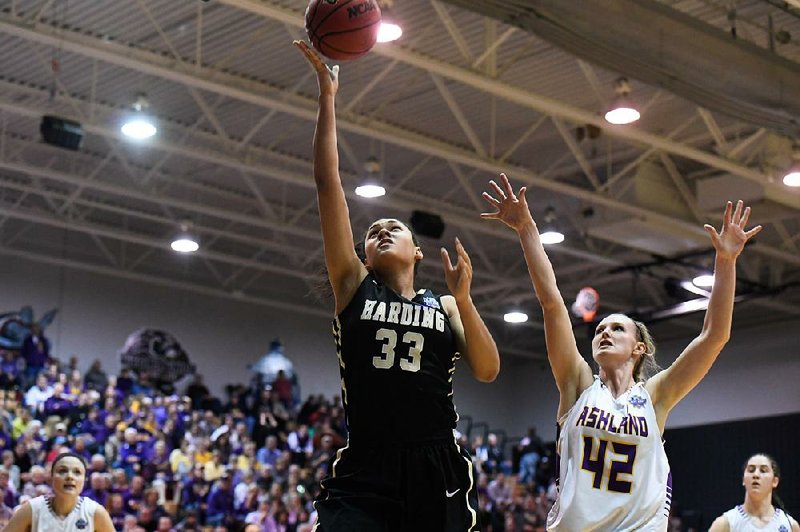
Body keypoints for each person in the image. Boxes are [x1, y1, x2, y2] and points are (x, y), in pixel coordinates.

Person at [293, 40, 500, 532]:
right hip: (369, 459)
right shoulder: (353, 287)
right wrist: (327, 98)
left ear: (418, 251)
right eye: (373, 232)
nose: (382, 230)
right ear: (363, 256)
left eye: (395, 228)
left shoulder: (446, 304)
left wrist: (466, 301)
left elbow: (489, 371)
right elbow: (328, 186)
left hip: (436, 462)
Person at [481, 174, 761, 531]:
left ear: (638, 348)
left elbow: (714, 335)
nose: (604, 333)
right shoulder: (578, 385)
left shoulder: (656, 396)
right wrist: (526, 228)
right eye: (599, 329)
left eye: (616, 328)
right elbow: (551, 302)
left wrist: (726, 260)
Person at [2, 452, 115, 531]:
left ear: (85, 480)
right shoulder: (32, 509)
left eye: (77, 472)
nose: (70, 476)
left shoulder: (95, 512)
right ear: (51, 478)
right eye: (62, 471)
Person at [709, 453, 799, 532]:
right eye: (751, 470)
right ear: (743, 480)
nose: (756, 475)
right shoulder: (725, 524)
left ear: (775, 481)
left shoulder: (790, 525)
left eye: (763, 470)